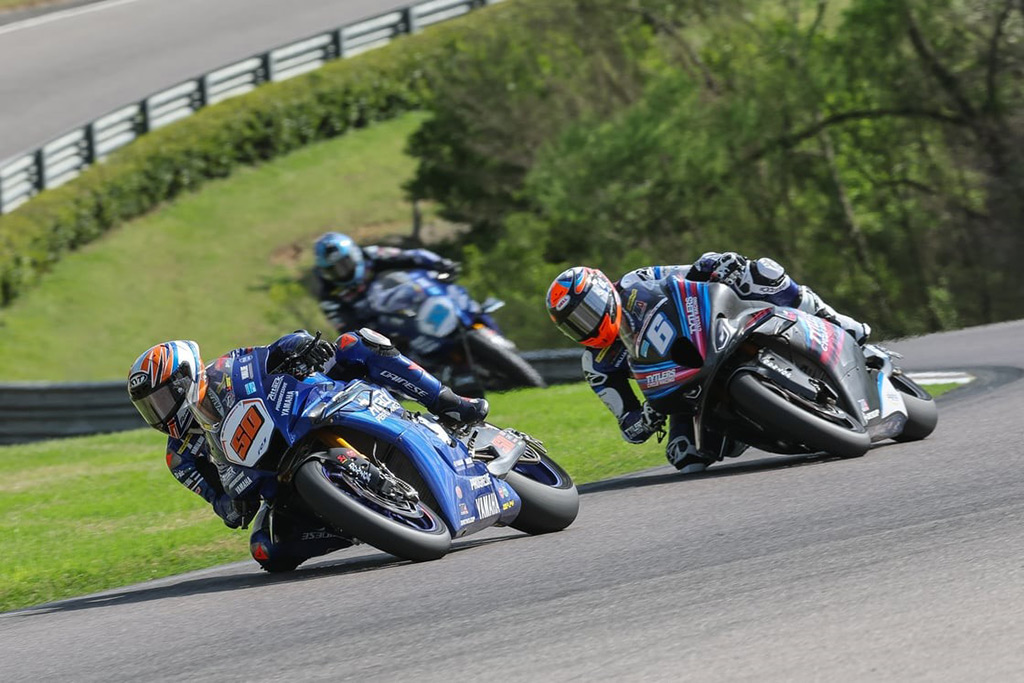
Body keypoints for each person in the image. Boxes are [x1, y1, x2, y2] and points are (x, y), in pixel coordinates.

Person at [127, 329, 488, 571]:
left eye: (161, 399)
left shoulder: (226, 368)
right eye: (149, 408)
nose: (159, 413)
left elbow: (271, 353)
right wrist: (232, 507)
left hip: (307, 409)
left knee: (355, 342)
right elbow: (218, 501)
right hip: (276, 481)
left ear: (185, 378)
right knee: (267, 551)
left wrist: (299, 346)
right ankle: (358, 521)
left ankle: (448, 402)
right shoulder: (180, 457)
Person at [545, 252, 871, 474]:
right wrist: (646, 417)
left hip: (707, 333)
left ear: (602, 291)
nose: (586, 326)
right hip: (681, 391)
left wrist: (716, 263)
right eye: (574, 325)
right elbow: (629, 428)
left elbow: (688, 273)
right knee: (684, 456)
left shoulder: (636, 283)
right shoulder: (597, 365)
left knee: (761, 272)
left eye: (587, 312)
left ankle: (836, 320)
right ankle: (763, 426)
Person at [314, 232, 460, 332]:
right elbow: (346, 328)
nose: (342, 273)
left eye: (344, 265)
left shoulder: (371, 254)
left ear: (355, 254)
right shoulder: (329, 297)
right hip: (385, 333)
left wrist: (441, 264)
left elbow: (413, 256)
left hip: (413, 305)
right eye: (333, 270)